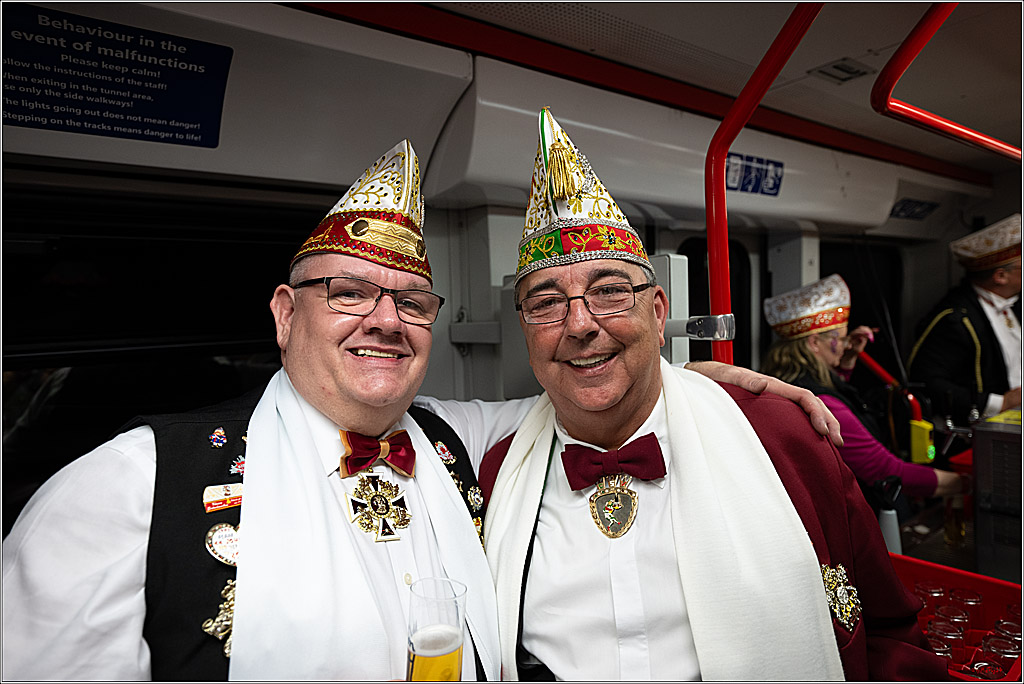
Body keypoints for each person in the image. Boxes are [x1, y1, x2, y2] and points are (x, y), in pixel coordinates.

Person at [2, 139, 838, 681]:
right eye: (349, 292)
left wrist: (707, 384)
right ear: (286, 315)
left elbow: (590, 381)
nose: (385, 320)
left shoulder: (456, 440)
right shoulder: (124, 488)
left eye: (411, 300)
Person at [479, 108, 947, 681]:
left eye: (609, 292)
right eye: (547, 302)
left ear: (658, 312)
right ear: (525, 328)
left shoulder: (781, 437)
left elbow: (893, 635)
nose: (579, 324)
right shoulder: (495, 474)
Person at [761, 274, 963, 500]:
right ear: (814, 343)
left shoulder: (784, 383)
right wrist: (964, 483)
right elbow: (885, 470)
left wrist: (846, 364)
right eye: (841, 339)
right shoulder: (823, 404)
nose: (845, 346)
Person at [908, 214, 1022, 426]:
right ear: (1000, 277)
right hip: (983, 427)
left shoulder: (1014, 304)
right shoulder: (953, 319)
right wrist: (1001, 402)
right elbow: (927, 382)